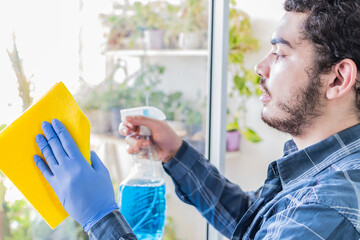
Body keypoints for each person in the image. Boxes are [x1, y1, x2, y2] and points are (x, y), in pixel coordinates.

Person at [33, 0, 360, 239]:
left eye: (280, 53)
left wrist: (99, 217)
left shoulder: (326, 209)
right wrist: (175, 152)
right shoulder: (323, 175)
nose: (260, 67)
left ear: (337, 79)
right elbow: (254, 223)